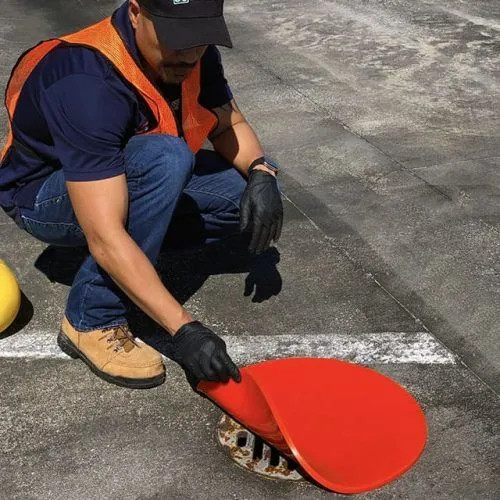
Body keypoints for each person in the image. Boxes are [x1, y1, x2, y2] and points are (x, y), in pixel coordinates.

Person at [0, 0, 283, 390]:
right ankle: (92, 318)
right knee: (165, 158)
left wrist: (262, 172)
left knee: (241, 196)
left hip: (123, 178)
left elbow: (227, 121)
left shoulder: (195, 51)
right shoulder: (85, 81)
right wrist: (183, 329)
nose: (189, 54)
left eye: (199, 39)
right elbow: (104, 234)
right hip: (46, 198)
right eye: (177, 39)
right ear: (136, 13)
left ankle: (136, 257)